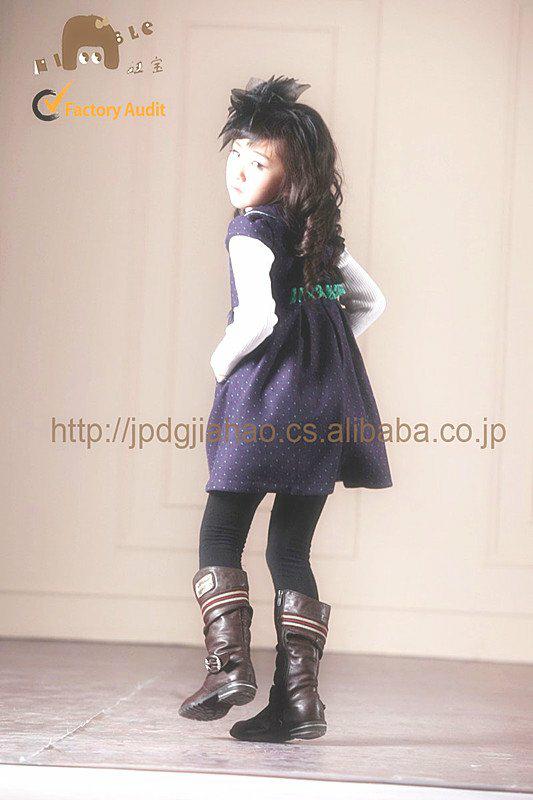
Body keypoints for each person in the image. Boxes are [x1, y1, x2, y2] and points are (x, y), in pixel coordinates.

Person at [178, 75, 393, 742]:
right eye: (235, 156)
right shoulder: (317, 235)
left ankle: (228, 669)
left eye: (258, 162)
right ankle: (298, 703)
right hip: (325, 407)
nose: (239, 172)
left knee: (220, 533)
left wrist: (220, 363)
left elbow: (257, 317)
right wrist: (320, 350)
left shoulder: (250, 230)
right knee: (290, 549)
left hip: (262, 404)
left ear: (292, 175)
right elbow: (369, 302)